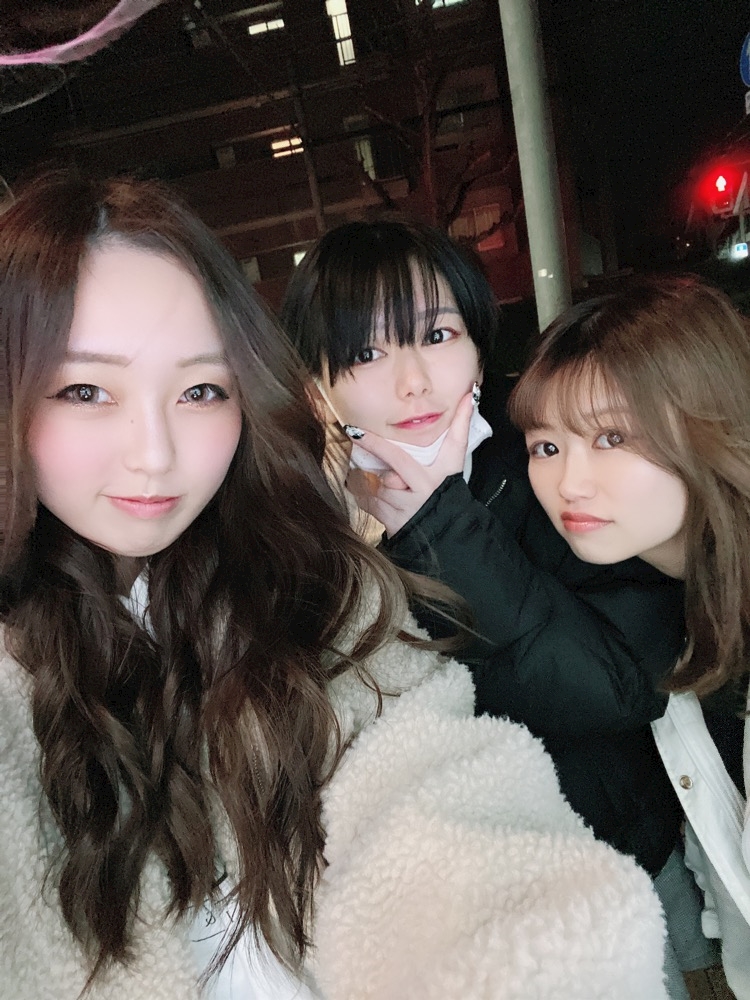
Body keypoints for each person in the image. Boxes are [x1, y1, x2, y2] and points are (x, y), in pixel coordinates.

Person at [0, 171, 669, 1000]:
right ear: (315, 378)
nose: (155, 454)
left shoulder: (540, 465)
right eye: (85, 390)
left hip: (619, 834)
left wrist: (438, 519)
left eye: (200, 389)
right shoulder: (321, 501)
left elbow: (428, 763)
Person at [507, 275, 750, 999]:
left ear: (710, 421)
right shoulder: (674, 610)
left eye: (612, 437)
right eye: (546, 446)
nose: (569, 483)